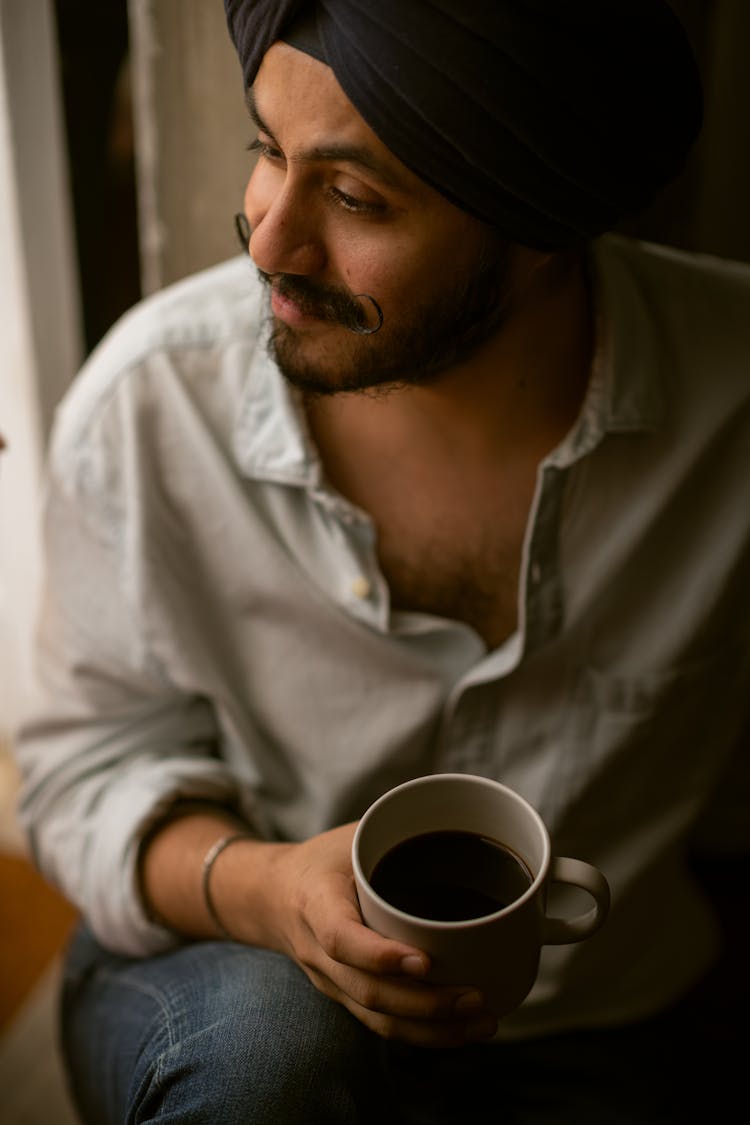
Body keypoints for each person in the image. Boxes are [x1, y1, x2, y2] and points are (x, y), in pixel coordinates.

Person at [15, 1, 749, 1122]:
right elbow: (82, 775)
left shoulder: (732, 404)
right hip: (228, 955)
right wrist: (269, 893)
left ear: (539, 223)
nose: (267, 239)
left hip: (600, 1007)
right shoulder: (155, 406)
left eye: (357, 198)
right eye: (269, 151)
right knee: (271, 1064)